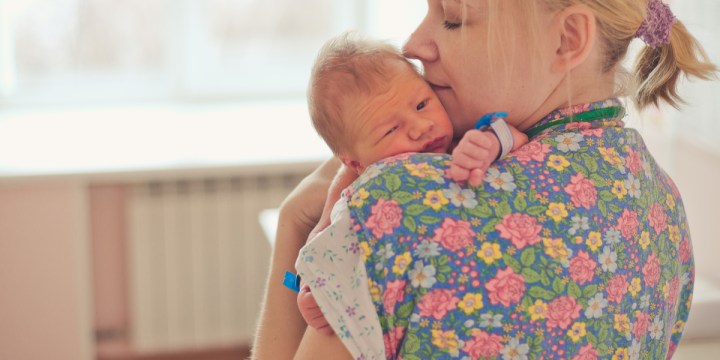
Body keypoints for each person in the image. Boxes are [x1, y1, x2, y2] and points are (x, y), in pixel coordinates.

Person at [252, 0, 716, 359]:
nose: (413, 45)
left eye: (452, 18)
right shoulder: (663, 205)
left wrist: (296, 218)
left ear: (567, 40)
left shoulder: (398, 204)